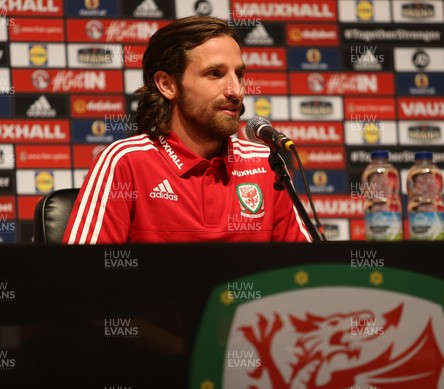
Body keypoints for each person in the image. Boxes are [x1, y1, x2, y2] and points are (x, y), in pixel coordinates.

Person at [62, 15, 312, 244]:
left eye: (239, 74)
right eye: (215, 74)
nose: (236, 91)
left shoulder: (266, 165)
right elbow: (80, 278)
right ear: (167, 84)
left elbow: (306, 275)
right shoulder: (126, 162)